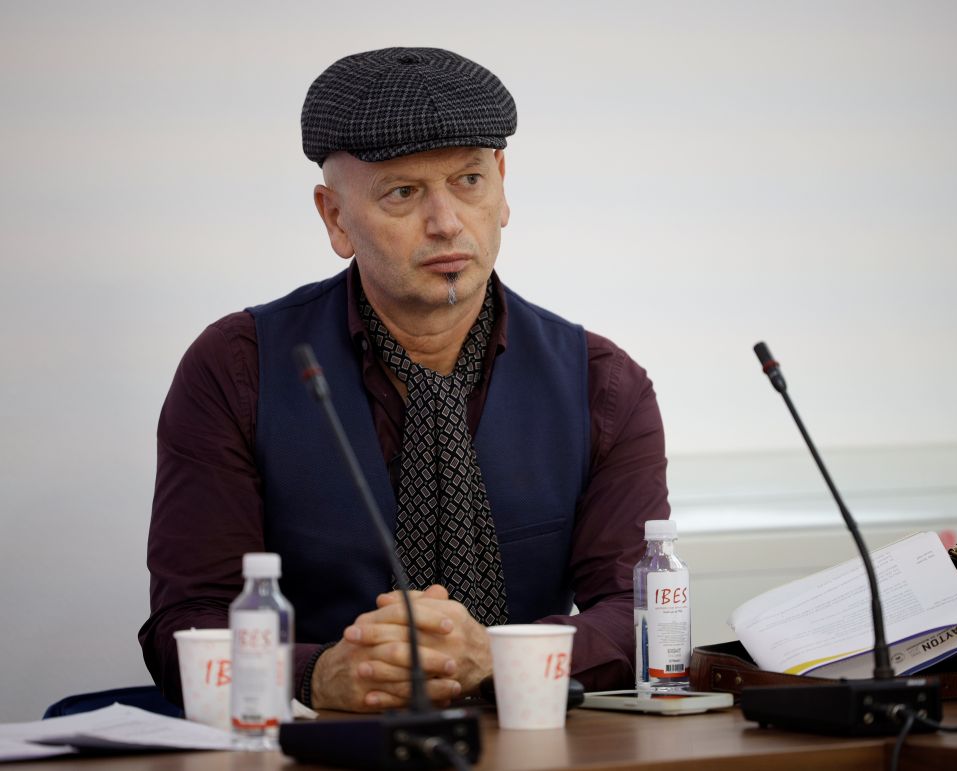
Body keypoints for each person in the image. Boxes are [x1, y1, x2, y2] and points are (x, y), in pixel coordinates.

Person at [140, 47, 669, 713]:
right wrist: (314, 674)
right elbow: (188, 621)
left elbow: (640, 610)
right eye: (403, 192)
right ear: (335, 217)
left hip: (529, 735)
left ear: (503, 184)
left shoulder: (601, 384)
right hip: (317, 741)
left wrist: (500, 654)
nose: (446, 222)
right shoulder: (237, 368)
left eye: (469, 180)